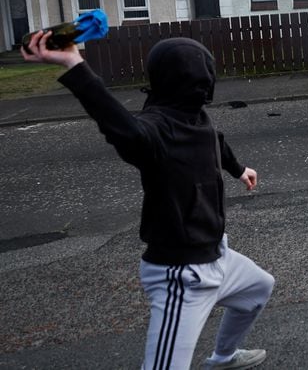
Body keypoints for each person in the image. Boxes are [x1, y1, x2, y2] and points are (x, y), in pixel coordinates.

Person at [22, 34, 274, 370]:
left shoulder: (195, 115)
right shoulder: (155, 131)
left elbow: (215, 141)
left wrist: (239, 169)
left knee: (259, 289)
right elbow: (124, 130)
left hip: (219, 257)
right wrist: (74, 65)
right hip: (182, 276)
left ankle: (223, 358)